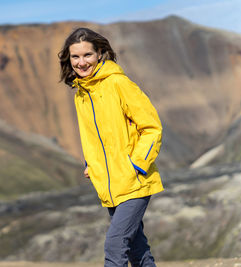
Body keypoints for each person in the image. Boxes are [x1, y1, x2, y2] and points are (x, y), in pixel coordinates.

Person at [58, 27, 164, 267]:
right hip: (108, 184)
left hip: (133, 182)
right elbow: (94, 136)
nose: (81, 62)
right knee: (138, 252)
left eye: (87, 55)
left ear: (100, 54)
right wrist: (91, 164)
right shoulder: (82, 93)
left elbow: (151, 127)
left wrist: (136, 164)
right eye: (75, 56)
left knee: (114, 247)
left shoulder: (118, 83)